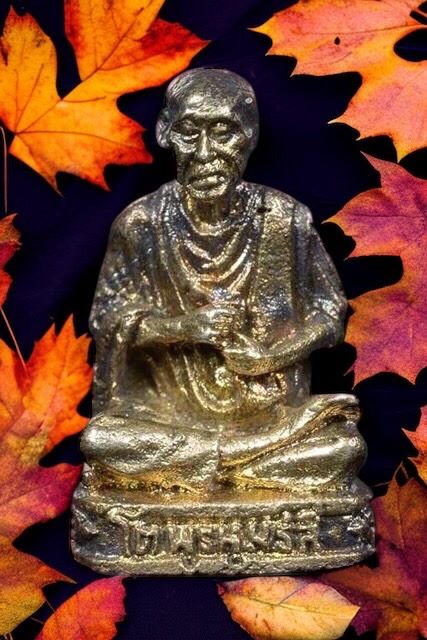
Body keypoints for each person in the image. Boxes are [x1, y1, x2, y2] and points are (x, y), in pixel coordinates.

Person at [81, 68, 366, 493]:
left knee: (344, 449)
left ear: (250, 136)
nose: (204, 152)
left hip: (272, 414)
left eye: (223, 133)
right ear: (164, 133)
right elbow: (107, 320)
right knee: (102, 441)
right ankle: (240, 459)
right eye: (188, 132)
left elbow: (330, 315)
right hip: (167, 419)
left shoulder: (285, 219)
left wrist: (269, 357)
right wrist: (185, 328)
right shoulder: (141, 224)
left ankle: (207, 464)